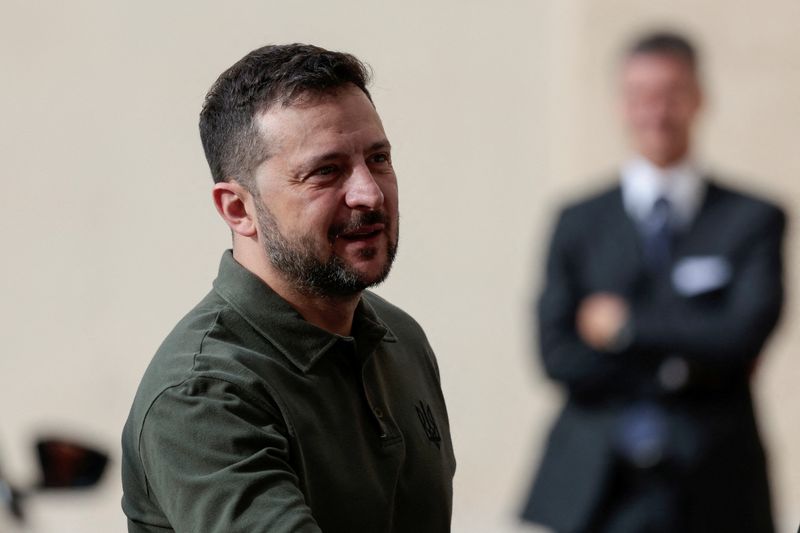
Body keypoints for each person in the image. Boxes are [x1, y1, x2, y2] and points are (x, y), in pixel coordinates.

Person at [121, 44, 456, 533]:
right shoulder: (202, 396)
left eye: (378, 158)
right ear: (238, 209)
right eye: (326, 171)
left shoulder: (399, 337)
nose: (370, 192)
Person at [521, 31, 784, 532]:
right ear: (621, 104)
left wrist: (625, 329)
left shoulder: (752, 219)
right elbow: (557, 354)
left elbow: (744, 334)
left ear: (698, 98)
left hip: (716, 481)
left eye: (671, 93)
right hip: (598, 485)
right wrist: (690, 358)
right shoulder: (578, 222)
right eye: (641, 95)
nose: (656, 111)